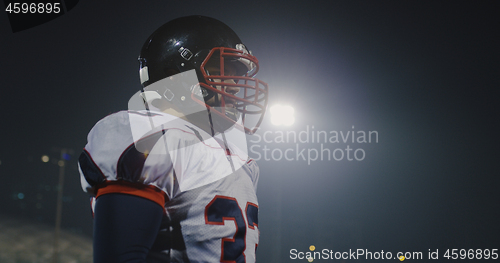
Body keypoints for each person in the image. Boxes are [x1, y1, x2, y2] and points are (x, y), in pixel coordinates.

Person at [78, 15, 269, 263]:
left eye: (237, 74)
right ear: (176, 73)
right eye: (223, 70)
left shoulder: (241, 164)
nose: (234, 85)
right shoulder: (151, 135)